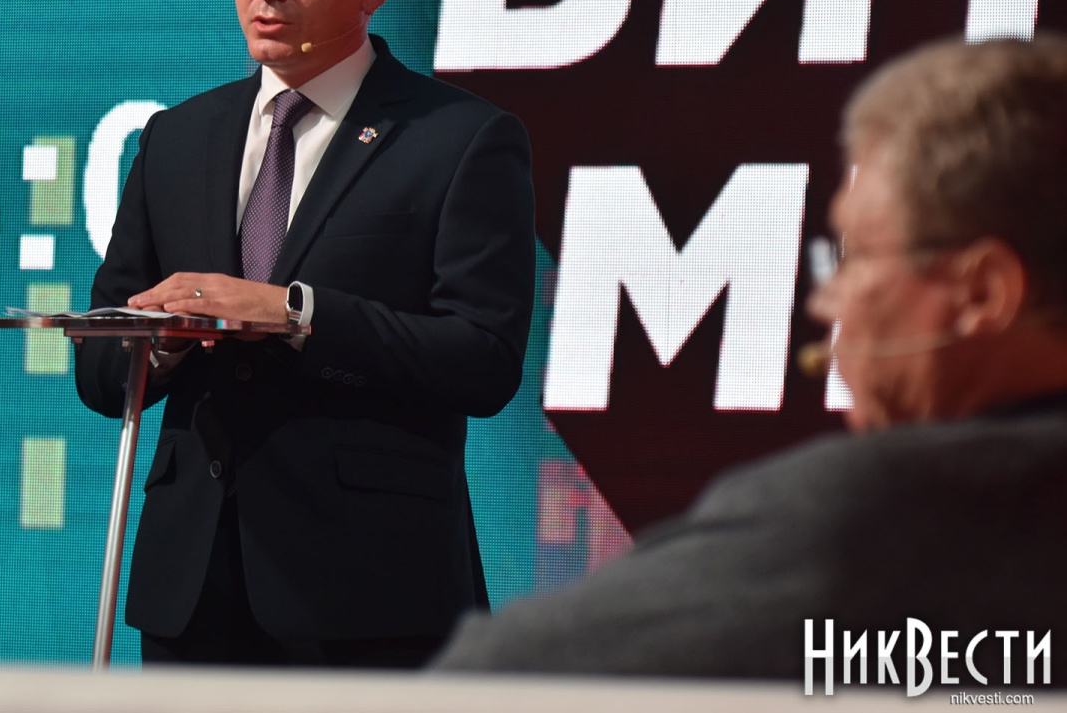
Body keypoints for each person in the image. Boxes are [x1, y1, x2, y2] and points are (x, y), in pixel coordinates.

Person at [433, 34, 1067, 682]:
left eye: (855, 257)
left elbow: (482, 677)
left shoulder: (871, 518)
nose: (826, 300)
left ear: (983, 292)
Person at [75, 0, 536, 668]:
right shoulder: (176, 137)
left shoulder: (459, 138)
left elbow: (483, 359)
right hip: (192, 591)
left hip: (371, 592)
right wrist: (166, 340)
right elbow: (99, 371)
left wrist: (295, 313)